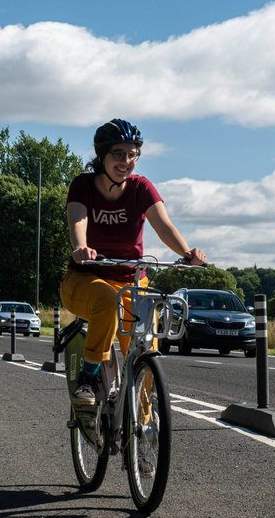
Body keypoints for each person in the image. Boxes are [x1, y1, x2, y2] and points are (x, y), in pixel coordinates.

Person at [62, 118, 206, 405]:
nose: (126, 161)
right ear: (101, 155)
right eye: (118, 153)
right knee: (106, 300)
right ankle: (88, 380)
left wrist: (188, 253)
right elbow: (78, 220)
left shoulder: (141, 188)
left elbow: (164, 226)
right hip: (85, 279)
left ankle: (143, 419)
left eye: (132, 154)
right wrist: (82, 248)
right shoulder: (83, 185)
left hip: (131, 282)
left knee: (145, 348)